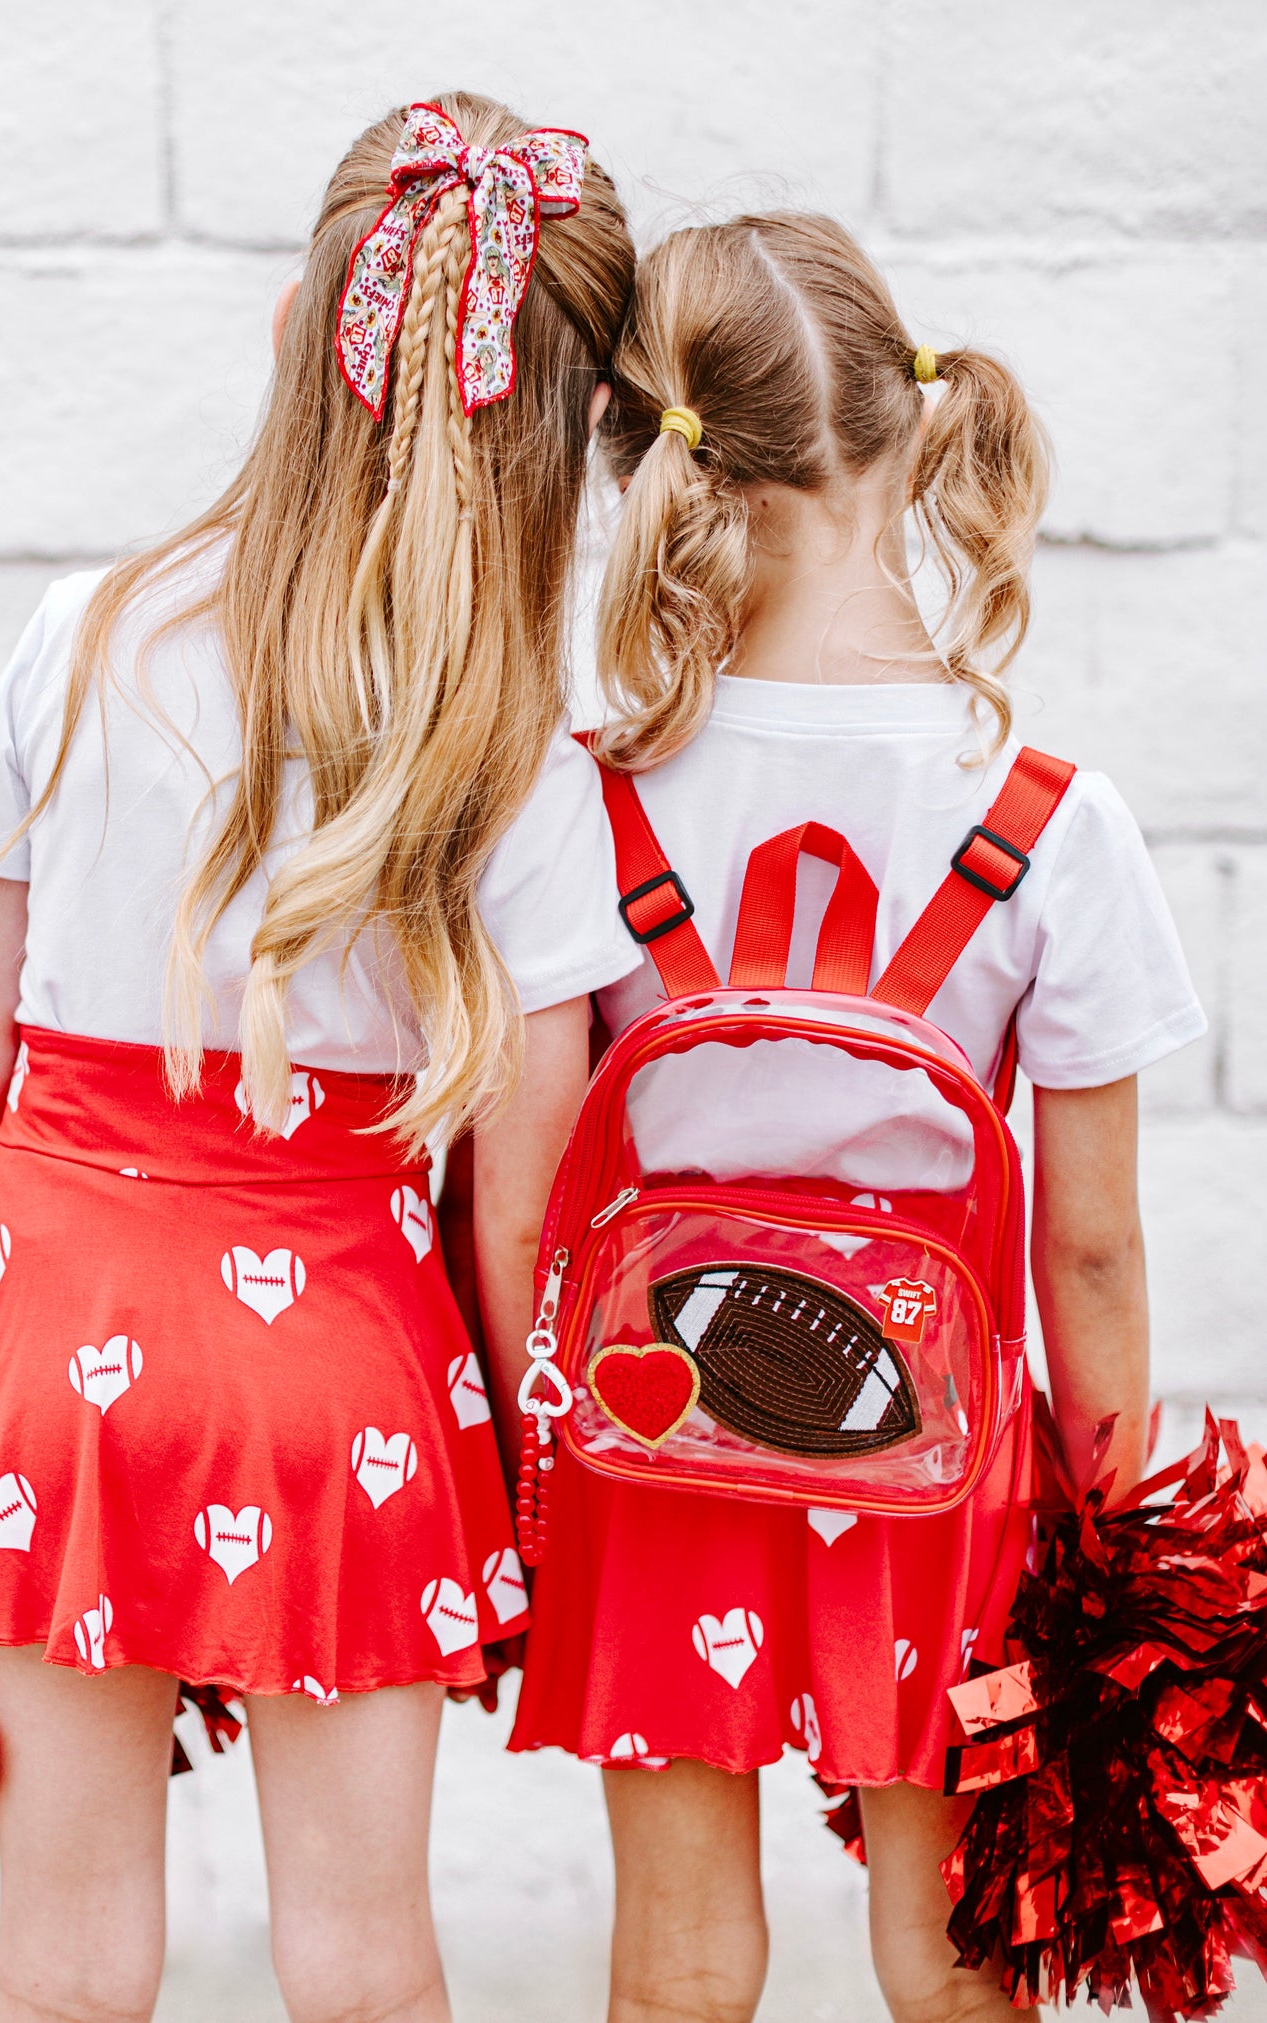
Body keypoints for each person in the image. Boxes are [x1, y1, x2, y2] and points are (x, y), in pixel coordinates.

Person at [0, 93, 638, 2023]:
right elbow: (526, 1181)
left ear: (312, 325)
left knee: (63, 1959)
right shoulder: (523, 750)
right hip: (344, 1372)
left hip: (56, 1337)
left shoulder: (83, 636)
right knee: (365, 1956)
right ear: (569, 427)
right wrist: (527, 1455)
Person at [505, 212, 1206, 2023]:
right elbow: (1094, 1242)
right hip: (940, 1456)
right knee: (949, 1949)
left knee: (675, 1961)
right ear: (911, 431)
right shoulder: (1050, 816)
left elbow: (520, 1189)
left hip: (650, 1419)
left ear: (660, 461)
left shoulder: (588, 796)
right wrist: (1106, 1539)